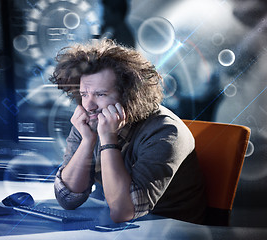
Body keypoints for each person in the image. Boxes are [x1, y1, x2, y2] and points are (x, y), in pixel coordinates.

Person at [49, 39, 207, 224]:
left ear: (129, 95)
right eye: (84, 94)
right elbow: (68, 198)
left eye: (100, 95)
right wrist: (87, 141)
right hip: (116, 226)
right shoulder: (90, 121)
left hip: (171, 228)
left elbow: (122, 212)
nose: (89, 105)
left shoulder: (166, 132)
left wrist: (108, 139)